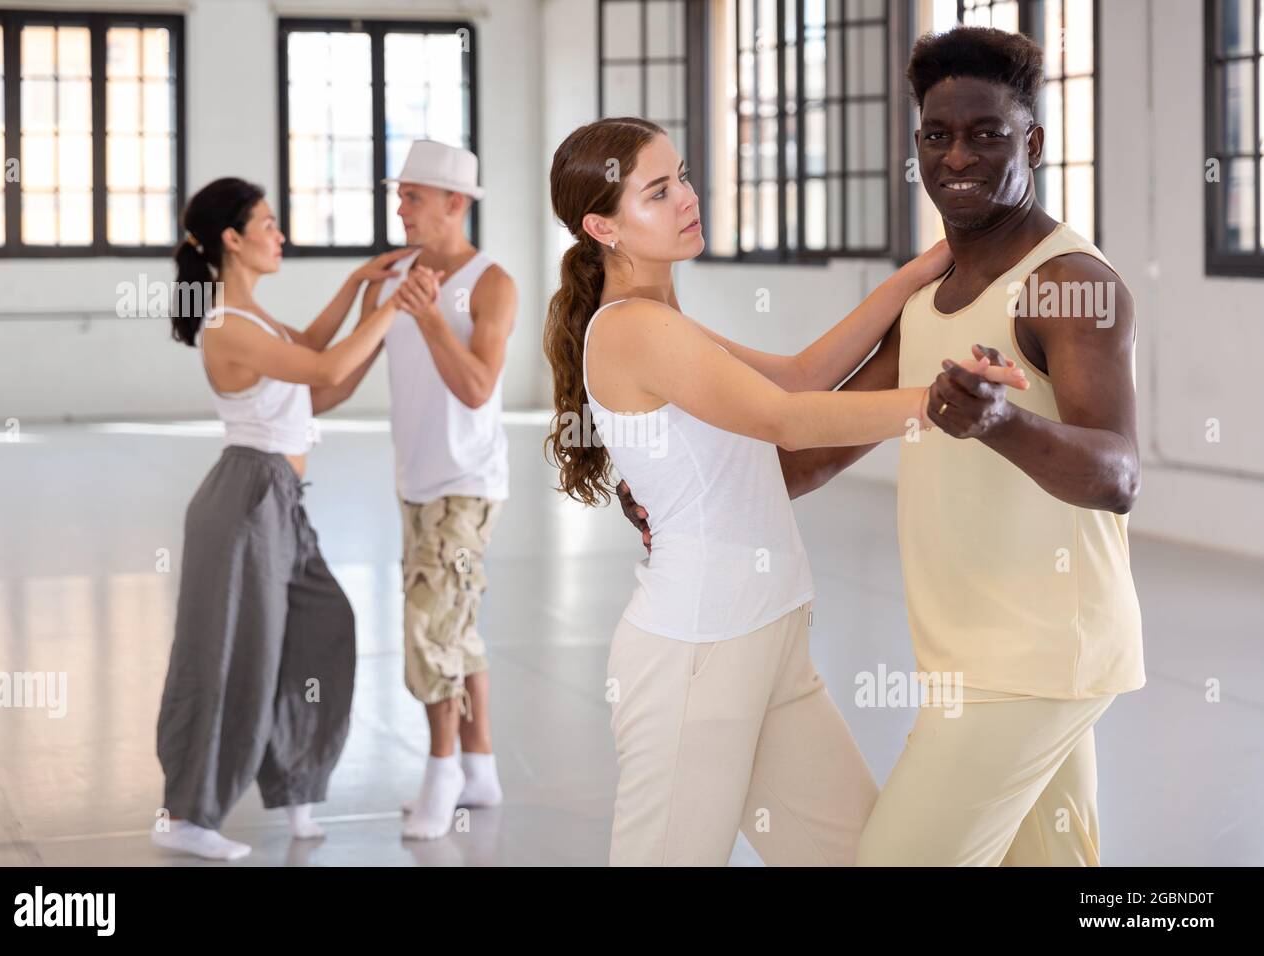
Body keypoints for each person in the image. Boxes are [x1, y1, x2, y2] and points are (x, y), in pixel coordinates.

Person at [623, 25, 1145, 867]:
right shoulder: (933, 295)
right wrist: (677, 497)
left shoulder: (1068, 282)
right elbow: (823, 444)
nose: (959, 158)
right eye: (938, 136)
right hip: (971, 650)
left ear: (1035, 142)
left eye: (987, 134)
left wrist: (998, 423)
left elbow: (1117, 475)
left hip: (1037, 655)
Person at [544, 117, 1025, 866]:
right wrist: (941, 402)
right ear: (603, 226)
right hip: (695, 657)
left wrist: (922, 269)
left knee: (856, 855)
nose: (687, 199)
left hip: (769, 641)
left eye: (685, 177)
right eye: (659, 191)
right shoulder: (633, 329)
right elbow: (789, 421)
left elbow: (800, 373)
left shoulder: (667, 320)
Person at [153, 177, 414, 861]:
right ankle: (187, 814)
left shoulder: (258, 321)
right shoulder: (229, 326)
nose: (280, 234)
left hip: (280, 501)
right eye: (267, 223)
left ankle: (296, 780)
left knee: (320, 627)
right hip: (245, 500)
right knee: (228, 658)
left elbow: (315, 353)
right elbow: (325, 366)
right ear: (232, 240)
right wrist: (394, 308)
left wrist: (363, 287)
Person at [362, 140, 518, 840]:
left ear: (455, 204)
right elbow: (343, 369)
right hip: (414, 481)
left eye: (413, 198)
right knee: (458, 622)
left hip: (467, 485)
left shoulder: (492, 283)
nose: (401, 209)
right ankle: (482, 766)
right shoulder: (391, 276)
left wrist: (428, 318)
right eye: (399, 197)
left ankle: (442, 768)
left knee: (429, 627)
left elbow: (479, 388)